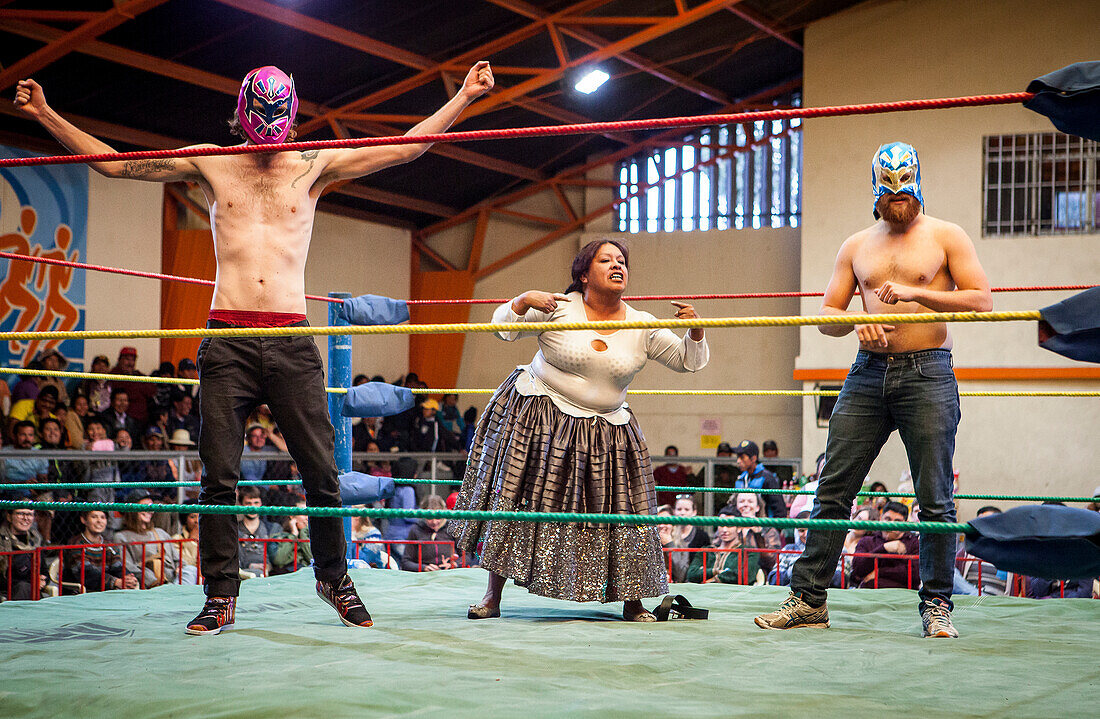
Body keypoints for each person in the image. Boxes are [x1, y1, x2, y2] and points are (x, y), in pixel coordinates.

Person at [17, 60, 495, 632]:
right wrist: (46, 114)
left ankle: (333, 578)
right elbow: (119, 167)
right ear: (244, 116)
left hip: (291, 338)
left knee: (321, 471)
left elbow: (404, 149)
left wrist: (464, 96)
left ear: (290, 117)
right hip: (229, 337)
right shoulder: (214, 161)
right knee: (218, 472)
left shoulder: (313, 163)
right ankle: (221, 594)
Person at [756, 141, 992, 639]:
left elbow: (982, 300)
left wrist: (917, 293)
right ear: (876, 193)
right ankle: (808, 599)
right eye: (890, 191)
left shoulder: (947, 236)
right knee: (833, 488)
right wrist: (856, 321)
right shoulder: (856, 245)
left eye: (906, 189)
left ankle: (937, 606)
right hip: (866, 374)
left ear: (919, 186)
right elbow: (827, 316)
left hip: (928, 372)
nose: (898, 198)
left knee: (934, 496)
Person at [451, 239, 709, 622]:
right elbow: (501, 330)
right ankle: (492, 596)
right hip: (540, 415)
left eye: (622, 261)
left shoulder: (642, 324)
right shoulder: (558, 307)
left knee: (625, 510)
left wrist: (697, 332)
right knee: (516, 500)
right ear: (584, 273)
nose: (616, 265)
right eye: (605, 260)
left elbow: (688, 362)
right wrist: (521, 302)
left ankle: (633, 601)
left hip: (608, 428)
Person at [63, 509, 138, 593]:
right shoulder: (75, 544)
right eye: (94, 517)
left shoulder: (109, 545)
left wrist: (128, 577)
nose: (99, 521)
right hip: (80, 592)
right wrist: (116, 582)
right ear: (83, 520)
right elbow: (86, 573)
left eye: (103, 517)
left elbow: (117, 567)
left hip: (106, 591)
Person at [849, 502, 920, 590]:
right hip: (868, 595)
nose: (891, 524)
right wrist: (884, 548)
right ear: (881, 518)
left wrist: (879, 572)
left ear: (906, 523)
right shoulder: (867, 540)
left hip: (903, 595)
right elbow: (857, 570)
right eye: (888, 519)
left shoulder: (913, 543)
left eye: (897, 521)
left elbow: (916, 575)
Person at [114, 493, 179, 588]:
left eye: (151, 506)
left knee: (191, 570)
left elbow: (178, 559)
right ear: (133, 509)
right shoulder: (121, 537)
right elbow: (128, 566)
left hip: (175, 579)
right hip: (150, 583)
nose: (150, 510)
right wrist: (151, 580)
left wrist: (180, 568)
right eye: (145, 506)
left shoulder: (161, 532)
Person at [687, 506, 761, 584]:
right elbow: (691, 574)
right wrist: (717, 571)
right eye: (721, 525)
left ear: (739, 528)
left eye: (729, 525)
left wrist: (712, 579)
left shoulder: (749, 552)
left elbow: (745, 576)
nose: (724, 530)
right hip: (704, 594)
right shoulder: (706, 551)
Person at [401, 495, 459, 572]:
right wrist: (423, 567)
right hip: (424, 577)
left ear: (444, 512)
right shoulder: (416, 529)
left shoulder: (452, 528)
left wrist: (454, 564)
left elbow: (466, 555)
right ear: (423, 515)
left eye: (438, 517)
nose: (434, 522)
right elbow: (405, 562)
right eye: (429, 517)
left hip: (449, 574)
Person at [731, 440, 785, 518]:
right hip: (742, 526)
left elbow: (780, 511)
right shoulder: (741, 478)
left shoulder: (767, 478)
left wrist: (771, 529)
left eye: (742, 457)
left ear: (753, 458)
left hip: (762, 526)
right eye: (738, 457)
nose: (738, 461)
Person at [0, 508, 45, 600]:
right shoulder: (2, 540)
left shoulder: (35, 540)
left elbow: (44, 570)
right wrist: (32, 581)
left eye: (29, 514)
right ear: (9, 517)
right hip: (6, 589)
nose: (26, 518)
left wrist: (42, 579)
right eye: (21, 514)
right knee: (23, 587)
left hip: (29, 589)